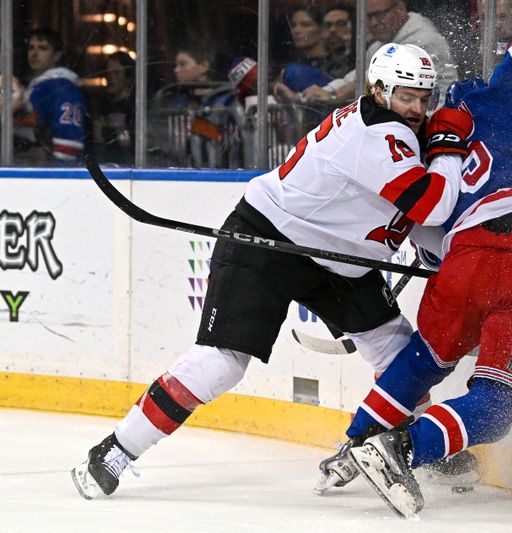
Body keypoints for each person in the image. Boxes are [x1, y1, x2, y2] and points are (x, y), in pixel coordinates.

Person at [70, 42, 475, 499]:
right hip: (270, 236)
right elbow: (435, 205)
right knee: (221, 362)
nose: (418, 108)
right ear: (379, 90)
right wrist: (448, 146)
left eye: (426, 97)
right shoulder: (377, 134)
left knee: (394, 346)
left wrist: (438, 249)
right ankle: (116, 449)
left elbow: (413, 216)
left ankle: (413, 444)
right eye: (407, 96)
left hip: (337, 257)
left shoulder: (394, 128)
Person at [315, 31, 512, 518]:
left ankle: (355, 442)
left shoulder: (415, 144)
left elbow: (428, 240)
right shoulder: (495, 100)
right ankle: (402, 450)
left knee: (424, 358)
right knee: (498, 402)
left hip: (459, 260)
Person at [16, 27, 87, 164]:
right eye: (31, 47)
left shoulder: (64, 90)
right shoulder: (35, 86)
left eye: (43, 48)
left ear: (57, 55)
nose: (34, 53)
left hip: (49, 177)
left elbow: (69, 147)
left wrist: (51, 167)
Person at [93, 51, 136, 165]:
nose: (110, 78)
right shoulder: (102, 104)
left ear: (128, 78)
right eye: (107, 74)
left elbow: (137, 140)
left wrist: (106, 133)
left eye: (116, 73)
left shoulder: (135, 106)